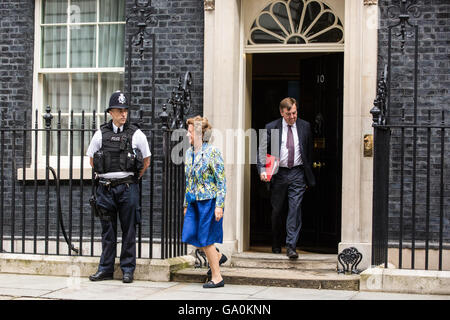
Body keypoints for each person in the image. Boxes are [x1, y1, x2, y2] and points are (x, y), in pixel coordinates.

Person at [86, 90, 151, 283]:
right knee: (108, 230)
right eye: (119, 110)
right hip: (105, 188)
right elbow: (91, 160)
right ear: (111, 112)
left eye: (125, 110)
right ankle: (105, 269)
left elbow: (146, 161)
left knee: (129, 229)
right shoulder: (100, 134)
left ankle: (128, 270)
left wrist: (131, 178)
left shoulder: (137, 134)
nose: (123, 114)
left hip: (127, 188)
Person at [257, 97, 315, 259]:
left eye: (294, 113)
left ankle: (291, 246)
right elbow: (261, 151)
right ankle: (276, 242)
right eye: (289, 114)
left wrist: (307, 175)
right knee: (277, 211)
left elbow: (308, 152)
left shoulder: (305, 126)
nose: (292, 117)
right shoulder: (271, 127)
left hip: (297, 173)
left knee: (295, 210)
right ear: (282, 113)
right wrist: (262, 170)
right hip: (279, 174)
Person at [181, 116, 227, 288]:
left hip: (208, 202)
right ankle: (218, 255)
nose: (187, 135)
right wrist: (186, 204)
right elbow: (188, 181)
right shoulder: (188, 153)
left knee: (206, 239)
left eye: (190, 132)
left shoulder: (212, 152)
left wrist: (219, 206)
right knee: (191, 236)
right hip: (193, 202)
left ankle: (217, 277)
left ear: (200, 134)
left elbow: (221, 181)